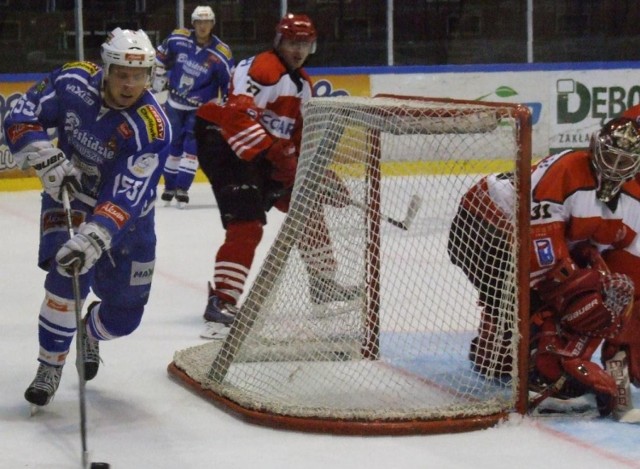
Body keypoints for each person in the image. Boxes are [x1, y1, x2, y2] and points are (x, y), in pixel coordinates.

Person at [3, 28, 171, 407]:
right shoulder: (72, 79)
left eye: (139, 75)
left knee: (125, 317)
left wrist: (96, 236)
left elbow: (126, 196)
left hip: (129, 222)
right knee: (66, 279)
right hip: (71, 199)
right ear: (106, 68)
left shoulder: (153, 127)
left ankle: (90, 332)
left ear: (150, 74)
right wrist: (40, 151)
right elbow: (19, 109)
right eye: (122, 74)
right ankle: (49, 365)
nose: (130, 84)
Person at [448, 115, 640, 417]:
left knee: (601, 291)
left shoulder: (634, 205)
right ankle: (547, 371)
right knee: (575, 292)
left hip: (522, 238)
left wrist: (622, 342)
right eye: (611, 156)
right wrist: (570, 303)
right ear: (595, 147)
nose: (615, 167)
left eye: (625, 160)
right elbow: (540, 254)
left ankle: (499, 351)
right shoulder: (568, 168)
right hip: (483, 225)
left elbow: (627, 280)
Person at [194, 13, 359, 340]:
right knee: (248, 222)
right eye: (292, 42)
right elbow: (237, 119)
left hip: (258, 147)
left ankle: (323, 284)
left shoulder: (304, 86)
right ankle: (222, 301)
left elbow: (300, 141)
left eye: (305, 44)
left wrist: (318, 175)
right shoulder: (264, 70)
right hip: (222, 139)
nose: (298, 50)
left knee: (305, 203)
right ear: (278, 42)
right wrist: (282, 157)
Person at [152, 5, 234, 208]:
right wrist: (159, 75)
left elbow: (229, 84)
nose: (203, 26)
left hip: (201, 108)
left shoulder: (222, 53)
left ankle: (182, 188)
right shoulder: (177, 38)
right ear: (193, 23)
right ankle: (169, 187)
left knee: (192, 147)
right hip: (174, 103)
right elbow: (159, 56)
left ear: (212, 24)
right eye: (199, 21)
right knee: (173, 146)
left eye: (206, 22)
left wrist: (224, 106)